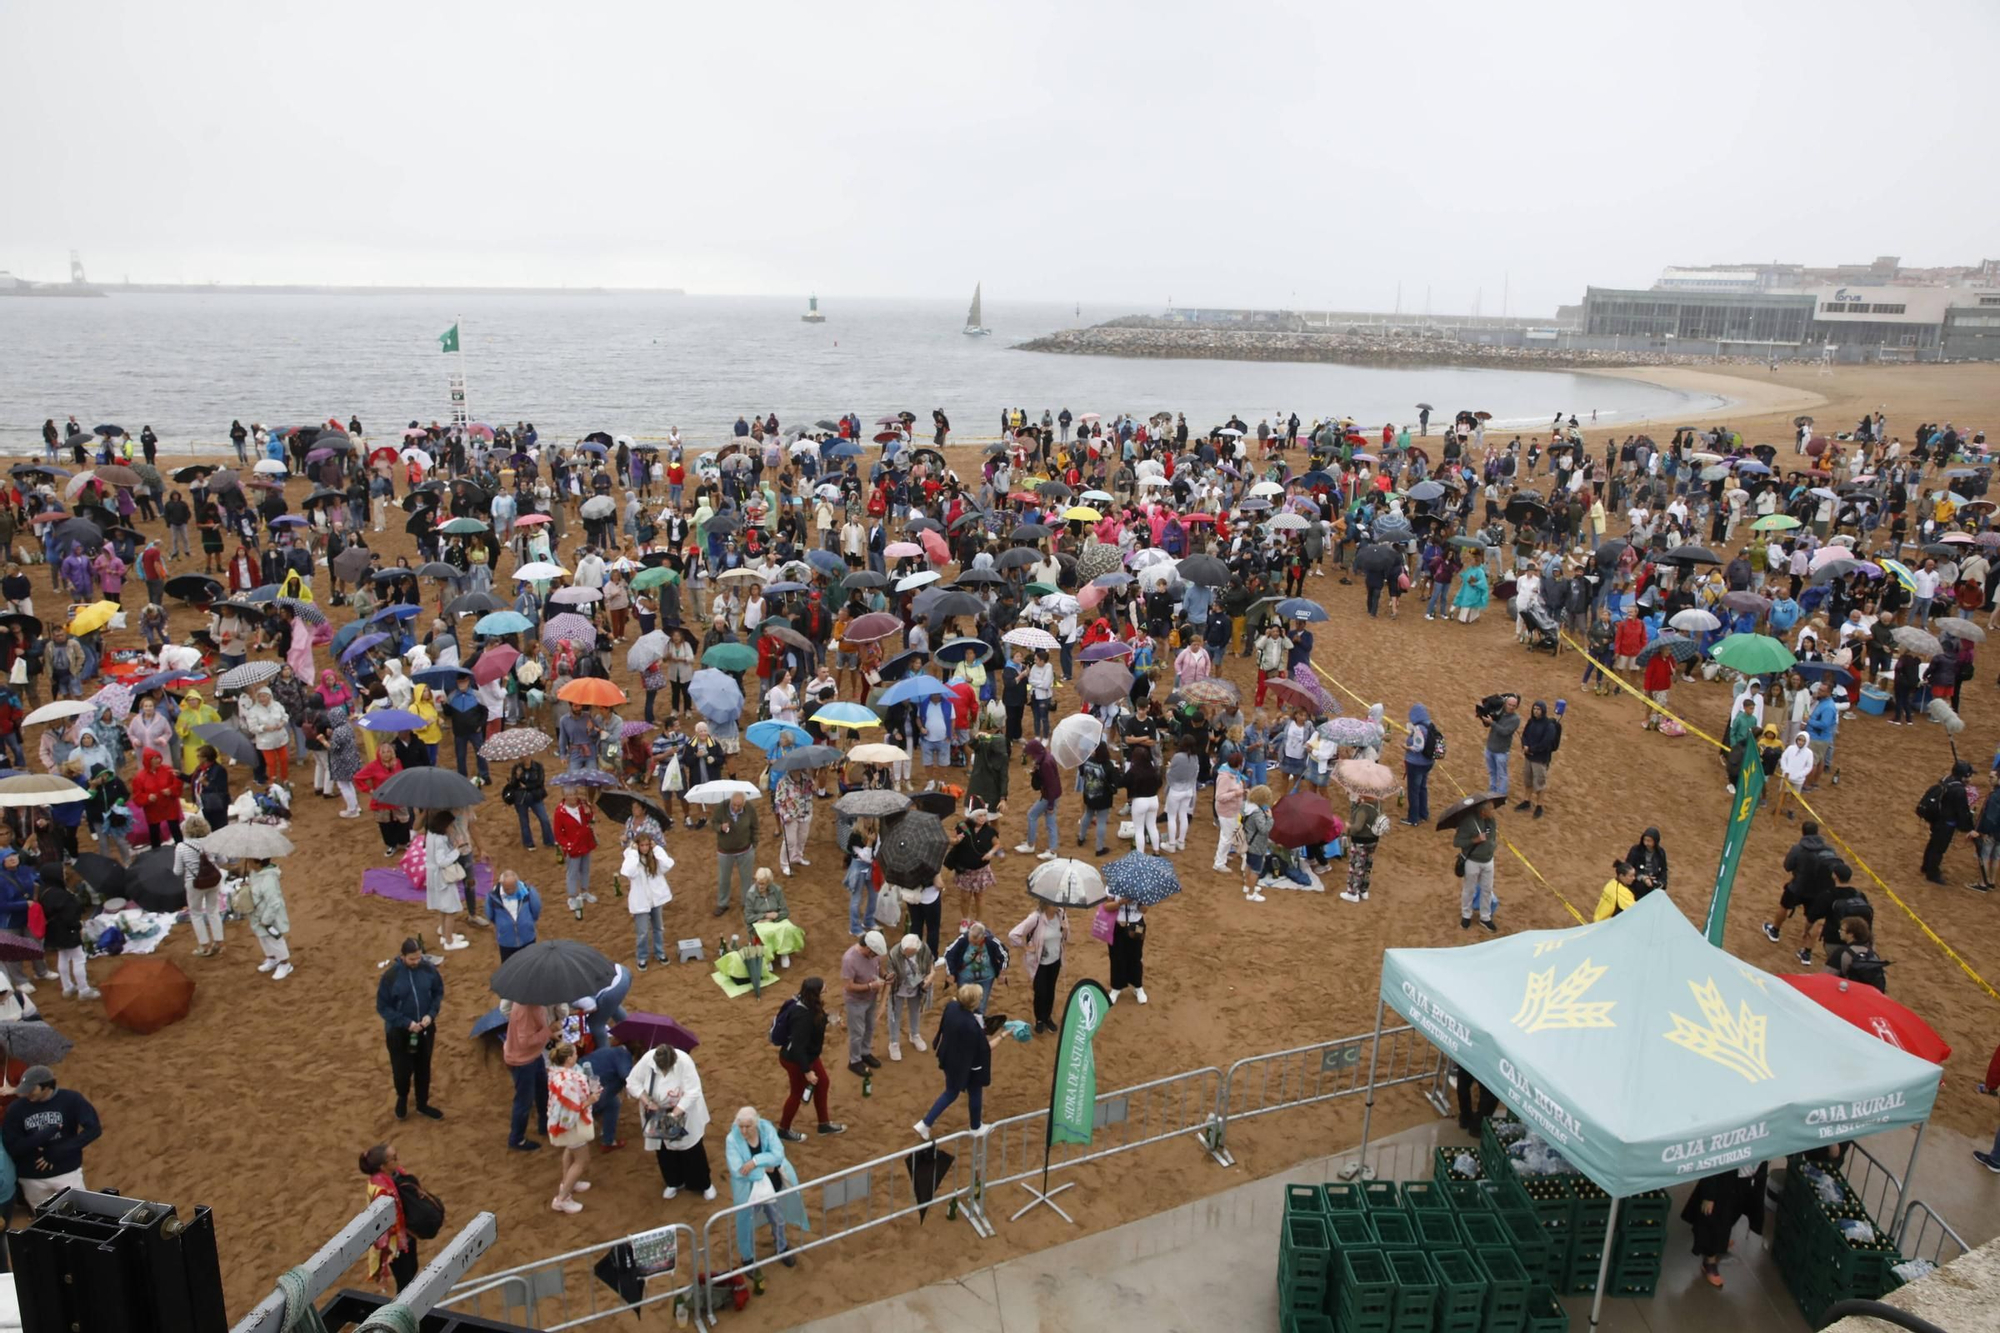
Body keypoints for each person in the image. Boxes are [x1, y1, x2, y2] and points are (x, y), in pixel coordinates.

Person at [1, 1066, 100, 1208]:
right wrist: (41, 1136)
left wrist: (60, 1150)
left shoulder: (71, 1099)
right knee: (45, 1223)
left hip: (67, 1174)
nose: (26, 1093)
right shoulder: (16, 1108)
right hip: (31, 1179)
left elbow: (94, 1129)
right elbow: (12, 1146)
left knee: (81, 1216)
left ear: (46, 1086)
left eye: (31, 1089)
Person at [626, 1044, 715, 1200]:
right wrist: (647, 1102)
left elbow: (693, 1092)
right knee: (663, 1150)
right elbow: (632, 1082)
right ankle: (674, 1181)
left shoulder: (685, 1062)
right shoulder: (647, 1060)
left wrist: (674, 1114)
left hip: (683, 1112)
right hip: (656, 1113)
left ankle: (703, 1184)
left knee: (691, 1150)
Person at [912, 983, 998, 1140]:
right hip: (967, 1065)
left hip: (949, 1057)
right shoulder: (972, 1027)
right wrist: (1004, 1036)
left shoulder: (951, 1006)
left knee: (950, 1092)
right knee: (974, 1092)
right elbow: (985, 1048)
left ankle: (925, 1123)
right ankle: (976, 1127)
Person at [724, 1105, 801, 1271]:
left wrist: (755, 1162)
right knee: (745, 1224)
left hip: (771, 1187)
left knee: (778, 1220)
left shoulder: (766, 1129)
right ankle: (748, 1259)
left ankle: (782, 1247)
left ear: (756, 1123)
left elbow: (778, 1154)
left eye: (748, 1126)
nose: (743, 1131)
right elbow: (737, 1170)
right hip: (747, 1191)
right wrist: (766, 1167)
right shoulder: (732, 1139)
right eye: (741, 1126)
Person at [375, 936, 445, 1121]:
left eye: (419, 957)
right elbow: (383, 1007)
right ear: (402, 956)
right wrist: (406, 1023)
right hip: (399, 1033)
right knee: (401, 1069)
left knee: (423, 1067)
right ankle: (402, 1097)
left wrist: (431, 1014)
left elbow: (438, 992)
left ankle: (422, 1104)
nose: (416, 962)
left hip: (424, 1030)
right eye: (412, 958)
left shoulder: (429, 970)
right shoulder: (390, 977)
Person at [773, 977, 845, 1142]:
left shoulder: (808, 1003)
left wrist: (828, 1020)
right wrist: (807, 1071)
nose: (826, 987)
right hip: (796, 1060)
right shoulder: (802, 1016)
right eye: (823, 986)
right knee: (796, 1094)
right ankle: (783, 1130)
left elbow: (816, 1017)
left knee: (823, 1082)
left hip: (808, 1056)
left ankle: (823, 1124)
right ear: (816, 992)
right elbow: (798, 1047)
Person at [1681, 1162, 1768, 1289]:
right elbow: (1713, 1159)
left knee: (1732, 1214)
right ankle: (1709, 1261)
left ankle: (1720, 1241)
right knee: (1717, 1220)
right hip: (1724, 1181)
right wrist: (1708, 1195)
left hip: (1746, 1180)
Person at [545, 1041, 597, 1213]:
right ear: (568, 1059)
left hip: (562, 1123)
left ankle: (568, 1183)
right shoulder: (571, 1079)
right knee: (582, 1160)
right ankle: (562, 1199)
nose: (577, 1056)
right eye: (574, 1054)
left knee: (570, 1150)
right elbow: (575, 1106)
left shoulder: (555, 1073)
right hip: (571, 1125)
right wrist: (591, 1100)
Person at [359, 1144, 420, 1293]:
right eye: (394, 1158)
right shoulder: (380, 1189)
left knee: (412, 1268)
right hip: (393, 1244)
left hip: (405, 1235)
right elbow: (383, 1224)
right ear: (383, 1166)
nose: (398, 1160)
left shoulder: (396, 1173)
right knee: (404, 1280)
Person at [1009, 899, 1069, 1034]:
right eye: (1055, 902)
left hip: (1055, 961)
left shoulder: (1062, 915)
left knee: (1050, 990)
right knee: (1040, 992)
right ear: (1046, 903)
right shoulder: (1035, 918)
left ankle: (1047, 1017)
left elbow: (1065, 939)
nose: (1058, 905)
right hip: (1039, 964)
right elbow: (1013, 934)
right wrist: (1026, 947)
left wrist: (1065, 930)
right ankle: (1039, 1019)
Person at [502, 998, 554, 1151]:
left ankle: (545, 1124)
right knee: (524, 1101)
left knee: (542, 1090)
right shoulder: (526, 1010)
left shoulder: (534, 1003)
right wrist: (549, 1030)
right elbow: (526, 1041)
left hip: (533, 1056)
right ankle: (516, 1139)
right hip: (523, 1061)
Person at [172, 815, 226, 958]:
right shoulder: (212, 842)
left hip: (194, 883)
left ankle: (204, 945)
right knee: (213, 910)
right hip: (214, 880)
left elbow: (177, 871)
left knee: (196, 913)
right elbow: (223, 860)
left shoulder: (181, 847)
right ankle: (219, 943)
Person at [619, 831, 674, 971]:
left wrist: (657, 849)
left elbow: (668, 864)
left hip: (656, 899)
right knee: (642, 932)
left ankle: (660, 953)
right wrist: (633, 853)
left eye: (647, 845)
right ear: (637, 846)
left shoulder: (655, 856)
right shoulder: (632, 858)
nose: (645, 848)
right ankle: (642, 957)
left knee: (658, 928)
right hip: (641, 901)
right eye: (642, 845)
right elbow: (627, 871)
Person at [35, 870, 93, 999]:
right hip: (67, 930)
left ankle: (67, 988)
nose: (64, 874)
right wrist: (78, 927)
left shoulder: (45, 891)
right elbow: (70, 916)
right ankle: (84, 990)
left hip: (53, 931)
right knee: (79, 958)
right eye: (61, 872)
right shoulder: (60, 894)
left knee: (63, 957)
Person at [1919, 760, 1976, 886]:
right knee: (1939, 849)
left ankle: (1926, 866)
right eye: (1969, 775)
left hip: (1937, 819)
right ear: (1964, 776)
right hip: (1946, 823)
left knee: (1933, 843)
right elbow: (1962, 812)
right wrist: (1968, 827)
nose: (1971, 778)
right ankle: (1932, 873)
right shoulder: (1959, 790)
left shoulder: (1946, 780)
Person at [840, 930, 889, 1076]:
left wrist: (886, 976)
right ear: (867, 948)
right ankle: (854, 1061)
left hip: (871, 999)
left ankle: (865, 1053)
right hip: (855, 1002)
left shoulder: (873, 955)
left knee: (870, 1027)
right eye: (874, 953)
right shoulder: (849, 959)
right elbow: (848, 986)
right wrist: (870, 986)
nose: (875, 957)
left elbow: (879, 968)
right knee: (857, 1033)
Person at [422, 810, 470, 952]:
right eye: (450, 825)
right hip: (441, 877)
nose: (451, 827)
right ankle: (449, 942)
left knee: (443, 907)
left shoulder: (431, 834)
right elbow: (442, 861)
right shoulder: (440, 839)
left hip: (434, 876)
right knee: (450, 909)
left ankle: (445, 934)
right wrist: (457, 849)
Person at [884, 933, 935, 1063]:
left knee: (915, 1011)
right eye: (906, 953)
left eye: (911, 953)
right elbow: (890, 974)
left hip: (916, 987)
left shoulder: (924, 948)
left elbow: (931, 964)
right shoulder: (894, 953)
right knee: (895, 1014)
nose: (908, 956)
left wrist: (931, 976)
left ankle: (915, 1034)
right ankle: (894, 1043)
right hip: (898, 988)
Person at [947, 805, 999, 930]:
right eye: (979, 815)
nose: (983, 818)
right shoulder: (962, 827)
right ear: (973, 817)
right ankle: (965, 919)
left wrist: (990, 853)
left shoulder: (989, 831)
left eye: (984, 815)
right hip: (965, 870)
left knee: (979, 896)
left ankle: (978, 921)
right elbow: (951, 840)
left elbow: (997, 844)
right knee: (965, 897)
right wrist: (956, 840)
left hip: (981, 871)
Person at [1454, 799, 1499, 931]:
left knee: (1487, 889)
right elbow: (1457, 842)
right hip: (1473, 861)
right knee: (1469, 889)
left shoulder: (1491, 821)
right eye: (1490, 809)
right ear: (1483, 812)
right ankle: (1466, 915)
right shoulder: (1468, 823)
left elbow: (1493, 837)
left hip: (1488, 860)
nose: (1493, 812)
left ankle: (1485, 917)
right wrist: (1474, 840)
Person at [553, 789, 598, 920]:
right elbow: (558, 834)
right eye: (569, 795)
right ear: (564, 796)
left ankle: (584, 892)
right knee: (572, 872)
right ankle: (572, 897)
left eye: (574, 794)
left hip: (586, 843)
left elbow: (590, 821)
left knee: (585, 869)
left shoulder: (583, 805)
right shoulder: (560, 812)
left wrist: (589, 812)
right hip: (573, 848)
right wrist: (568, 845)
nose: (573, 797)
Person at [247, 857, 294, 980]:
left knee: (274, 938)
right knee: (263, 937)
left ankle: (285, 964)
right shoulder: (254, 873)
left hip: (269, 915)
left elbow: (274, 902)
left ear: (258, 862)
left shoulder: (269, 878)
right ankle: (272, 959)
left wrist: (266, 920)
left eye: (250, 860)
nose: (248, 862)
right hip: (257, 913)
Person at [714, 791, 758, 919]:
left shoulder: (750, 808)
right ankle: (723, 903)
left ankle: (747, 903)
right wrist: (720, 827)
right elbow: (713, 823)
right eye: (734, 805)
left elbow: (755, 827)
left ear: (744, 803)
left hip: (745, 850)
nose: (736, 808)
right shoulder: (721, 807)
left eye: (739, 806)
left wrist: (754, 845)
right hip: (725, 851)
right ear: (731, 801)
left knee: (747, 879)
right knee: (723, 879)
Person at [1516, 701, 1560, 818]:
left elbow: (1546, 743)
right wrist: (1525, 745)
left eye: (1538, 709)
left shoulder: (1549, 726)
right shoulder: (1531, 721)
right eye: (1534, 708)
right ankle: (1527, 801)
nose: (1536, 711)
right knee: (1528, 780)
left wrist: (1531, 749)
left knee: (1540, 784)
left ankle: (1539, 806)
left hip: (1540, 759)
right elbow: (1524, 735)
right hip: (1529, 757)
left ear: (1543, 711)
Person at [488, 871, 541, 962]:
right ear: (502, 885)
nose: (511, 891)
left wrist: (528, 923)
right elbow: (490, 915)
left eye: (513, 888)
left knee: (530, 964)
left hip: (527, 938)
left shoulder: (528, 892)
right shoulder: (493, 896)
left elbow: (536, 909)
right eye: (507, 889)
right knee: (509, 967)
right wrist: (503, 925)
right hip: (507, 942)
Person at [1105, 892, 1148, 1004]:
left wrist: (1139, 904)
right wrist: (1120, 902)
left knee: (1136, 956)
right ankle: (1116, 988)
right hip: (1117, 926)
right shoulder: (1113, 885)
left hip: (1138, 925)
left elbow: (1145, 910)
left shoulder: (1141, 886)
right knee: (1116, 956)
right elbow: (1107, 907)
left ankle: (1137, 987)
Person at [1402, 704, 1440, 826]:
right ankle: (1424, 813)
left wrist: (1406, 747)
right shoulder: (1430, 725)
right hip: (1428, 763)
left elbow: (1418, 747)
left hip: (1416, 764)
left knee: (1414, 791)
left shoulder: (1419, 729)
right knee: (1422, 788)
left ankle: (1413, 818)